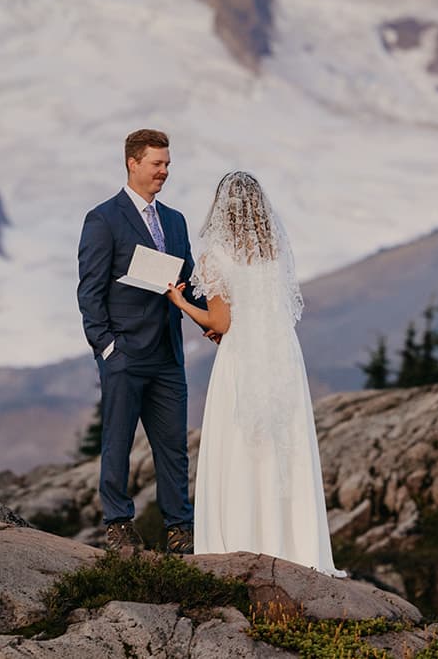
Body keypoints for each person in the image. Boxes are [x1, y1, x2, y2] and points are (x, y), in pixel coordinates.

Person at [164, 170, 339, 575]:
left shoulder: (217, 258)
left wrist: (181, 302)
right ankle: (294, 543)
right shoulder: (275, 255)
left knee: (241, 445)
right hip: (282, 358)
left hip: (242, 358)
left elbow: (221, 323)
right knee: (284, 446)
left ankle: (242, 542)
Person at [77, 128, 210, 556]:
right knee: (117, 442)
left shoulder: (175, 220)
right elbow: (89, 290)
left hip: (169, 355)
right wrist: (107, 347)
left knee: (173, 447)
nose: (164, 172)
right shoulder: (103, 219)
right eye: (157, 164)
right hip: (125, 354)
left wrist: (213, 317)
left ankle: (180, 530)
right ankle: (117, 525)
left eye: (168, 164)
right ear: (133, 163)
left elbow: (188, 281)